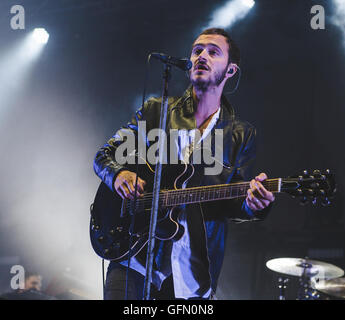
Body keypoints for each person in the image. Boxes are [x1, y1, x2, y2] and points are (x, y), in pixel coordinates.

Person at [94, 28, 275, 300]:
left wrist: (253, 205)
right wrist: (118, 174)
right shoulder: (157, 111)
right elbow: (103, 156)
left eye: (213, 52)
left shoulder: (240, 134)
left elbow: (233, 202)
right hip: (135, 256)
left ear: (230, 70)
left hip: (191, 274)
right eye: (197, 50)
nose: (202, 56)